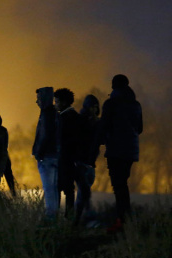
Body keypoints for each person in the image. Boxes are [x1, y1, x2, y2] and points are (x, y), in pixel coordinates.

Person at [100, 74, 143, 232]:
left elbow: (103, 126)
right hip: (131, 152)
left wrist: (97, 143)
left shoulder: (111, 104)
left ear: (113, 86)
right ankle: (126, 220)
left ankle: (122, 221)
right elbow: (140, 129)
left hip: (116, 150)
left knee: (118, 186)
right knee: (122, 185)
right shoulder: (136, 105)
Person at [32, 87, 59, 219]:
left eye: (38, 99)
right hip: (55, 155)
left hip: (46, 157)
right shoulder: (55, 113)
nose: (36, 102)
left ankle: (51, 217)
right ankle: (54, 215)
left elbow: (44, 134)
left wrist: (38, 153)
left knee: (48, 188)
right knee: (53, 188)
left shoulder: (46, 114)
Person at [54, 88, 81, 218]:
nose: (55, 104)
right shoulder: (74, 116)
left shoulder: (65, 117)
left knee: (61, 188)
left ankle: (62, 216)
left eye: (57, 102)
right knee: (68, 189)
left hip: (65, 158)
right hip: (69, 158)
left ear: (64, 102)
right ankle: (68, 217)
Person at [75, 95, 101, 225]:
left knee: (83, 193)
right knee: (85, 192)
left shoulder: (96, 123)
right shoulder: (81, 122)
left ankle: (77, 221)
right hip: (81, 162)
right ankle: (87, 218)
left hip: (90, 163)